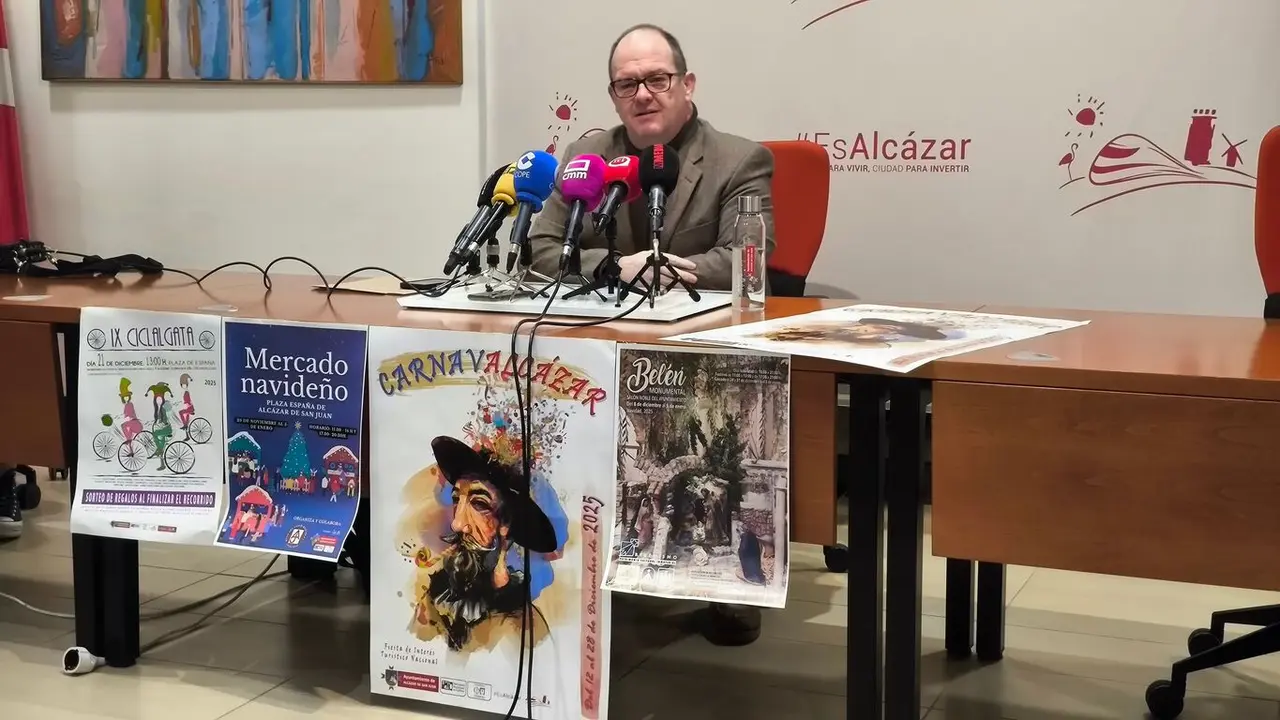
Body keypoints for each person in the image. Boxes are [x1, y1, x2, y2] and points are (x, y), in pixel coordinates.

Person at [528, 24, 776, 292]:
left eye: (657, 79)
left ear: (687, 86)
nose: (643, 95)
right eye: (627, 84)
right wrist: (613, 267)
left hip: (703, 314)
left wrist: (654, 271)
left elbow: (745, 260)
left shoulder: (740, 161)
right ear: (613, 97)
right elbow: (539, 250)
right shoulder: (583, 157)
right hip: (606, 313)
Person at [411, 436, 558, 652]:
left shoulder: (522, 627)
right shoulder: (438, 596)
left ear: (506, 523)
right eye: (456, 500)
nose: (457, 524)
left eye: (479, 504)